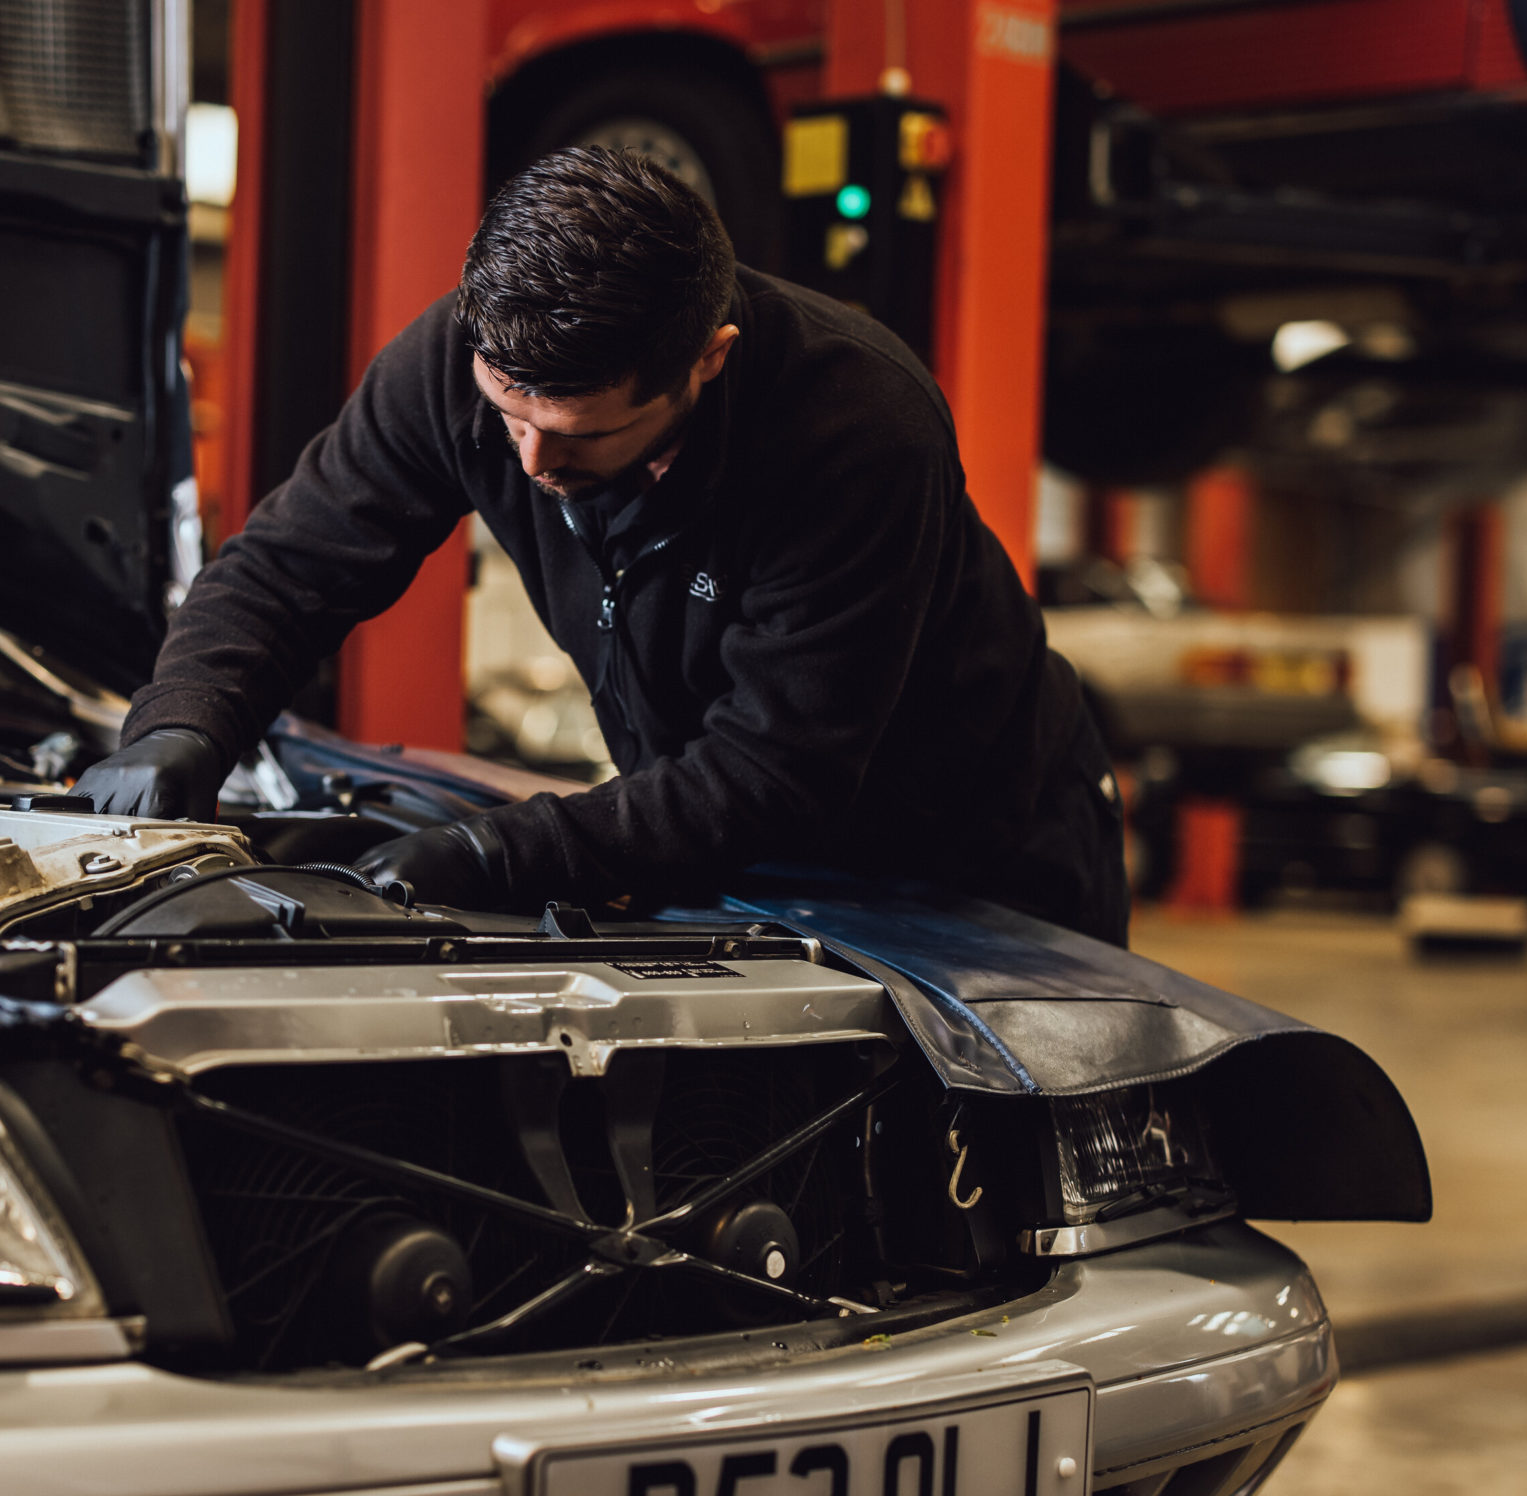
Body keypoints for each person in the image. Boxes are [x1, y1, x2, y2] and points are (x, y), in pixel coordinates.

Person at [76, 147, 1127, 944]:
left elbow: (777, 763)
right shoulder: (456, 362)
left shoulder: (854, 429)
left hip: (966, 866)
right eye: (505, 415)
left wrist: (503, 850)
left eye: (577, 433)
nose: (527, 463)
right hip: (722, 845)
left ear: (704, 362)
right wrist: (183, 723)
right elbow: (288, 568)